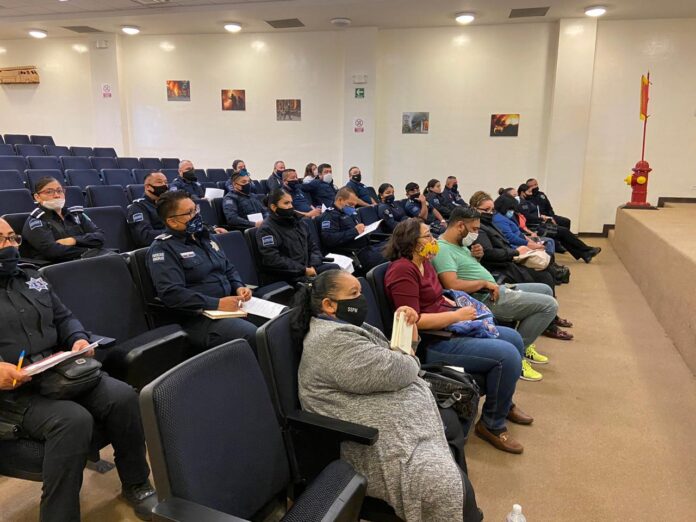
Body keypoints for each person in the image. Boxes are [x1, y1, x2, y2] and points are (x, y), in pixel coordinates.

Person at [293, 269, 482, 521]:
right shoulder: (332, 343)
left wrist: (407, 331)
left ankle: (460, 500)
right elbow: (402, 367)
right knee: (443, 486)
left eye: (361, 291)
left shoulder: (345, 326)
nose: (361, 300)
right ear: (329, 305)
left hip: (393, 415)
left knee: (450, 425)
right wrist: (409, 355)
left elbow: (393, 358)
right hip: (363, 442)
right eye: (354, 293)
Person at [0, 218, 156, 522]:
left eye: (13, 238)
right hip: (14, 391)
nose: (11, 246)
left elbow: (64, 317)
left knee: (123, 396)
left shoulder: (30, 276)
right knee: (73, 420)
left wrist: (77, 338)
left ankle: (136, 483)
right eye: (2, 240)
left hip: (56, 371)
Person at [384, 218, 533, 453]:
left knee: (513, 338)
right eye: (427, 236)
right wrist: (457, 316)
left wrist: (453, 304)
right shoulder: (402, 270)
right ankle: (491, 425)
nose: (433, 239)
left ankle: (503, 404)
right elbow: (413, 320)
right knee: (508, 356)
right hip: (434, 340)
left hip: (449, 326)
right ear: (412, 242)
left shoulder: (424, 262)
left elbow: (434, 296)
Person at [432, 206, 563, 377]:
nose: (476, 234)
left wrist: (477, 257)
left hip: (493, 289)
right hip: (482, 298)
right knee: (549, 306)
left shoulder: (460, 244)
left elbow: (468, 270)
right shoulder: (443, 250)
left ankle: (526, 344)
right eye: (474, 229)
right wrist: (483, 282)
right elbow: (452, 285)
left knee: (545, 289)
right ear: (460, 226)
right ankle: (519, 355)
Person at [146, 191, 257, 353]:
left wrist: (239, 286)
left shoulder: (206, 238)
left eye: (195, 209)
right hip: (199, 317)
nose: (196, 215)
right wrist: (217, 304)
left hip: (231, 305)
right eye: (189, 213)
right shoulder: (163, 249)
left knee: (280, 318)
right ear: (172, 222)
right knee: (252, 334)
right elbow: (171, 293)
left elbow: (228, 267)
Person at [470, 191, 574, 339]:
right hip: (499, 266)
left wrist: (524, 247)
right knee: (544, 277)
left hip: (508, 259)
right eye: (486, 210)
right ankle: (548, 323)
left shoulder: (489, 223)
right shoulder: (479, 229)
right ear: (474, 209)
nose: (490, 213)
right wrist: (516, 252)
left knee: (548, 272)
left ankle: (551, 317)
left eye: (492, 210)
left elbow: (509, 238)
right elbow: (490, 254)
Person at [256, 189, 339, 284]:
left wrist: (313, 265)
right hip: (289, 275)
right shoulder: (267, 229)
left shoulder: (299, 222)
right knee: (332, 282)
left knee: (336, 270)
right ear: (274, 207)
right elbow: (273, 259)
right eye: (286, 203)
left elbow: (313, 247)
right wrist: (304, 270)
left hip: (309, 269)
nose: (291, 206)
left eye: (291, 202)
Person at [23, 177, 107, 262]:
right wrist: (89, 251)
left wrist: (73, 240)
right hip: (59, 266)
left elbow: (100, 237)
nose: (57, 195)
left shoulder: (75, 214)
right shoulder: (36, 221)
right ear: (37, 197)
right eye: (49, 192)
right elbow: (52, 251)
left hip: (87, 260)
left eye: (59, 191)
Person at [518, 183, 601, 263]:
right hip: (535, 228)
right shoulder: (522, 203)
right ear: (522, 193)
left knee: (562, 234)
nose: (531, 193)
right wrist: (541, 218)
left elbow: (536, 213)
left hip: (539, 225)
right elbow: (527, 217)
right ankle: (587, 250)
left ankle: (585, 254)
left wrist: (544, 217)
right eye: (529, 192)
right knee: (563, 231)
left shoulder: (527, 201)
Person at [320, 187, 387, 273]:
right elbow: (329, 239)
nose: (353, 207)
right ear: (340, 200)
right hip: (354, 255)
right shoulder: (329, 216)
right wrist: (355, 231)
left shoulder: (349, 213)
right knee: (392, 254)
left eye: (354, 205)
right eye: (350, 204)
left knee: (394, 245)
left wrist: (363, 229)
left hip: (367, 248)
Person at [127, 171, 169, 247]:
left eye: (166, 182)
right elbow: (145, 236)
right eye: (159, 182)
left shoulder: (168, 203)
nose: (164, 185)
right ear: (147, 187)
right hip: (157, 248)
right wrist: (172, 233)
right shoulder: (138, 207)